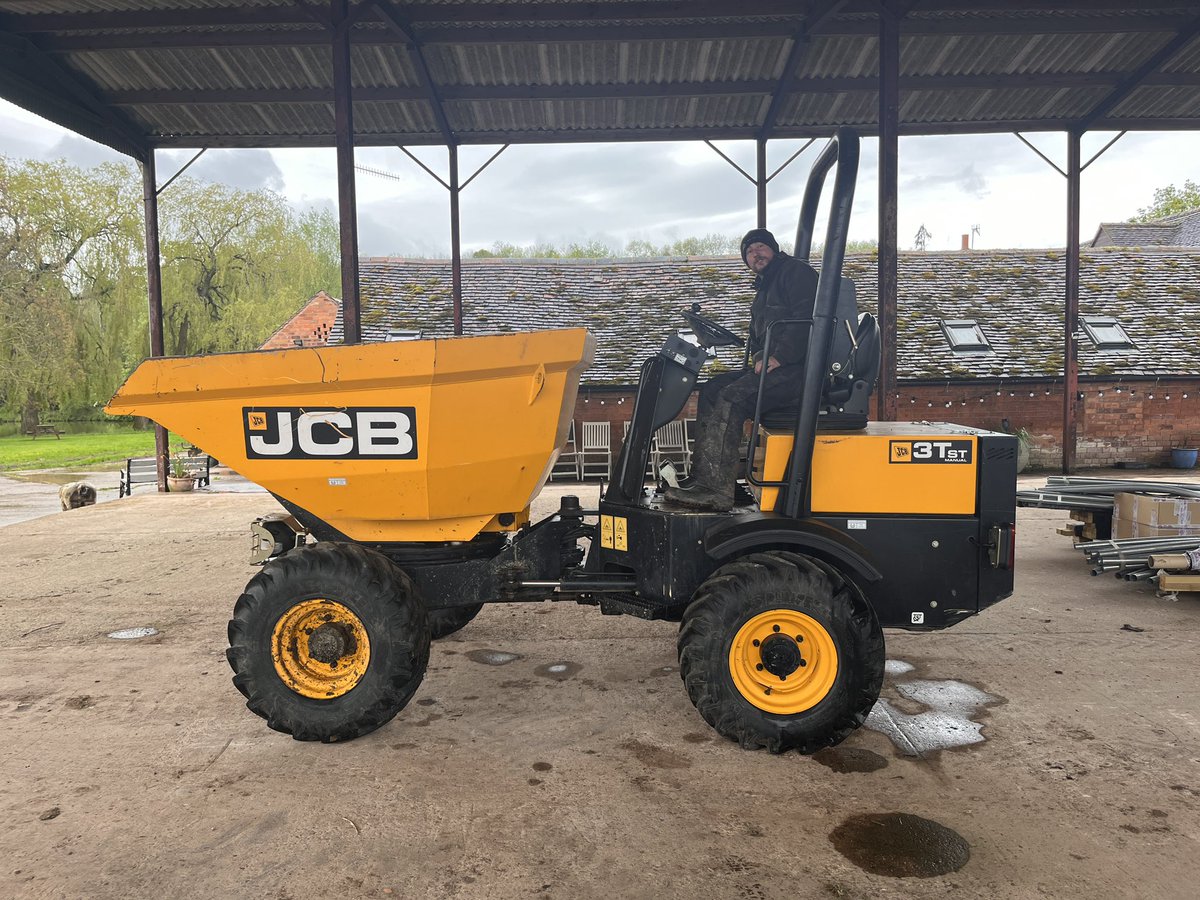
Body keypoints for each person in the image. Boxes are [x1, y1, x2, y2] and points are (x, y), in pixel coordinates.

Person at [663, 228, 818, 511]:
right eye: (749, 252)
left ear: (773, 249)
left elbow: (808, 319)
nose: (755, 254)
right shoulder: (764, 289)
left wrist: (779, 357)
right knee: (711, 390)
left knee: (731, 397)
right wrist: (761, 356)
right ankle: (704, 478)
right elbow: (759, 340)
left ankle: (715, 492)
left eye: (760, 247)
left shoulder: (795, 273)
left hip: (800, 371)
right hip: (778, 368)